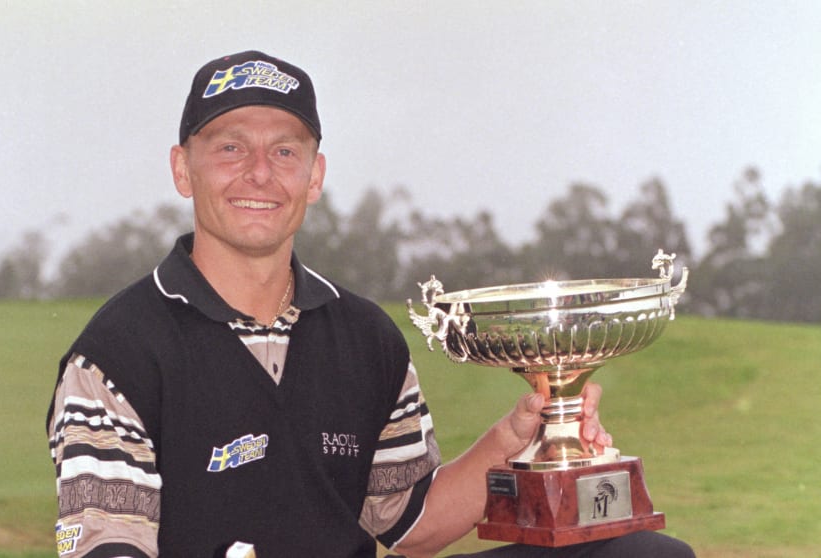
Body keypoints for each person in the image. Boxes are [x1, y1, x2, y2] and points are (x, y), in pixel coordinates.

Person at [46, 51, 695, 558]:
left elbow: (410, 526)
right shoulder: (118, 352)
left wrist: (517, 438)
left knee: (644, 557)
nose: (259, 173)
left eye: (284, 151)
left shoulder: (364, 337)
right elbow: (107, 545)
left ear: (314, 177)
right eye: (229, 147)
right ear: (182, 169)